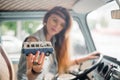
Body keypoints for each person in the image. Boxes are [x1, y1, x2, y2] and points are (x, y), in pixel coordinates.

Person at [17, 6, 100, 80]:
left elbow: (63, 64)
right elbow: (29, 76)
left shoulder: (53, 41)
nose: (57, 26)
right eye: (54, 20)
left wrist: (87, 57)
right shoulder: (33, 42)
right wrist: (35, 71)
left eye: (62, 25)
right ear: (46, 19)